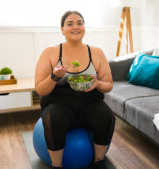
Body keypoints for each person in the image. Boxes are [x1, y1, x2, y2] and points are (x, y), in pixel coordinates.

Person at [35, 11, 115, 169]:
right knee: (54, 117)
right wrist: (54, 77)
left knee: (106, 116)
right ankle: (56, 165)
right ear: (62, 29)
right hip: (59, 105)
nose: (75, 27)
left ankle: (99, 161)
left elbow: (109, 85)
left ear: (84, 27)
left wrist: (98, 83)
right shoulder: (50, 52)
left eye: (79, 23)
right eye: (70, 24)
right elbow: (40, 90)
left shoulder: (97, 53)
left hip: (90, 105)